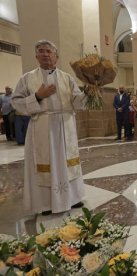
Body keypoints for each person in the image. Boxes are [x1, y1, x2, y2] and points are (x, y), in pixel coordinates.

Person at [11, 40, 86, 215]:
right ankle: (45, 203)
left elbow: (77, 102)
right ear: (36, 56)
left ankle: (73, 198)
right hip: (41, 127)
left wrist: (89, 92)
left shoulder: (67, 78)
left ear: (56, 56)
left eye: (49, 52)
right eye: (41, 52)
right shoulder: (27, 78)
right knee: (45, 165)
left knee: (68, 162)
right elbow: (16, 103)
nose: (45, 54)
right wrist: (37, 96)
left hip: (65, 126)